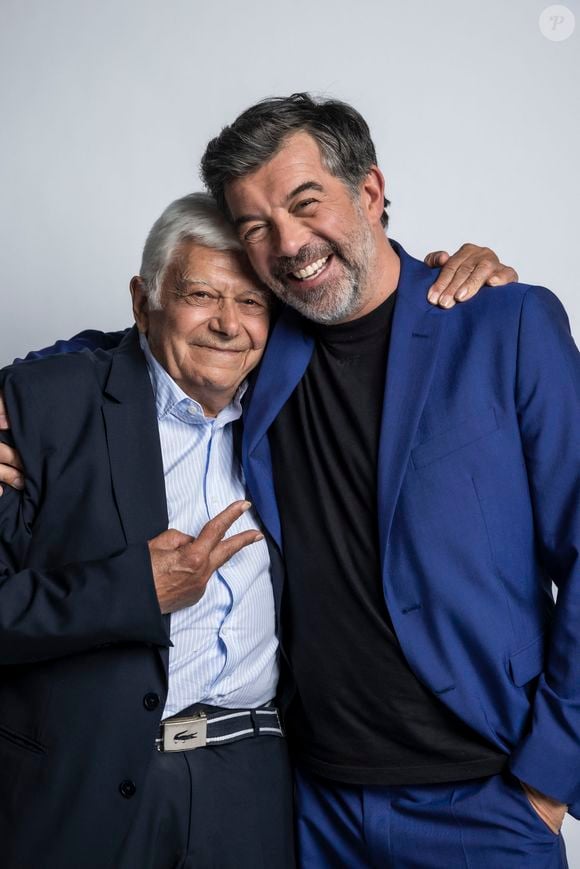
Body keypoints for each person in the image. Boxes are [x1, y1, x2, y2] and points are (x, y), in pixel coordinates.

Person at [202, 93, 577, 867]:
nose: (290, 244)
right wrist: (20, 405)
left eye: (307, 205)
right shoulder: (258, 345)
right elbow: (146, 334)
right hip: (314, 802)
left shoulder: (505, 323)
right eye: (256, 228)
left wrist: (550, 782)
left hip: (486, 799)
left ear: (369, 193)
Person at [0, 193, 295, 869]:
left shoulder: (293, 409)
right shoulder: (44, 405)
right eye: (200, 294)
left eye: (251, 302)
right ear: (144, 300)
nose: (228, 324)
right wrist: (134, 588)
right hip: (86, 787)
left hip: (250, 785)